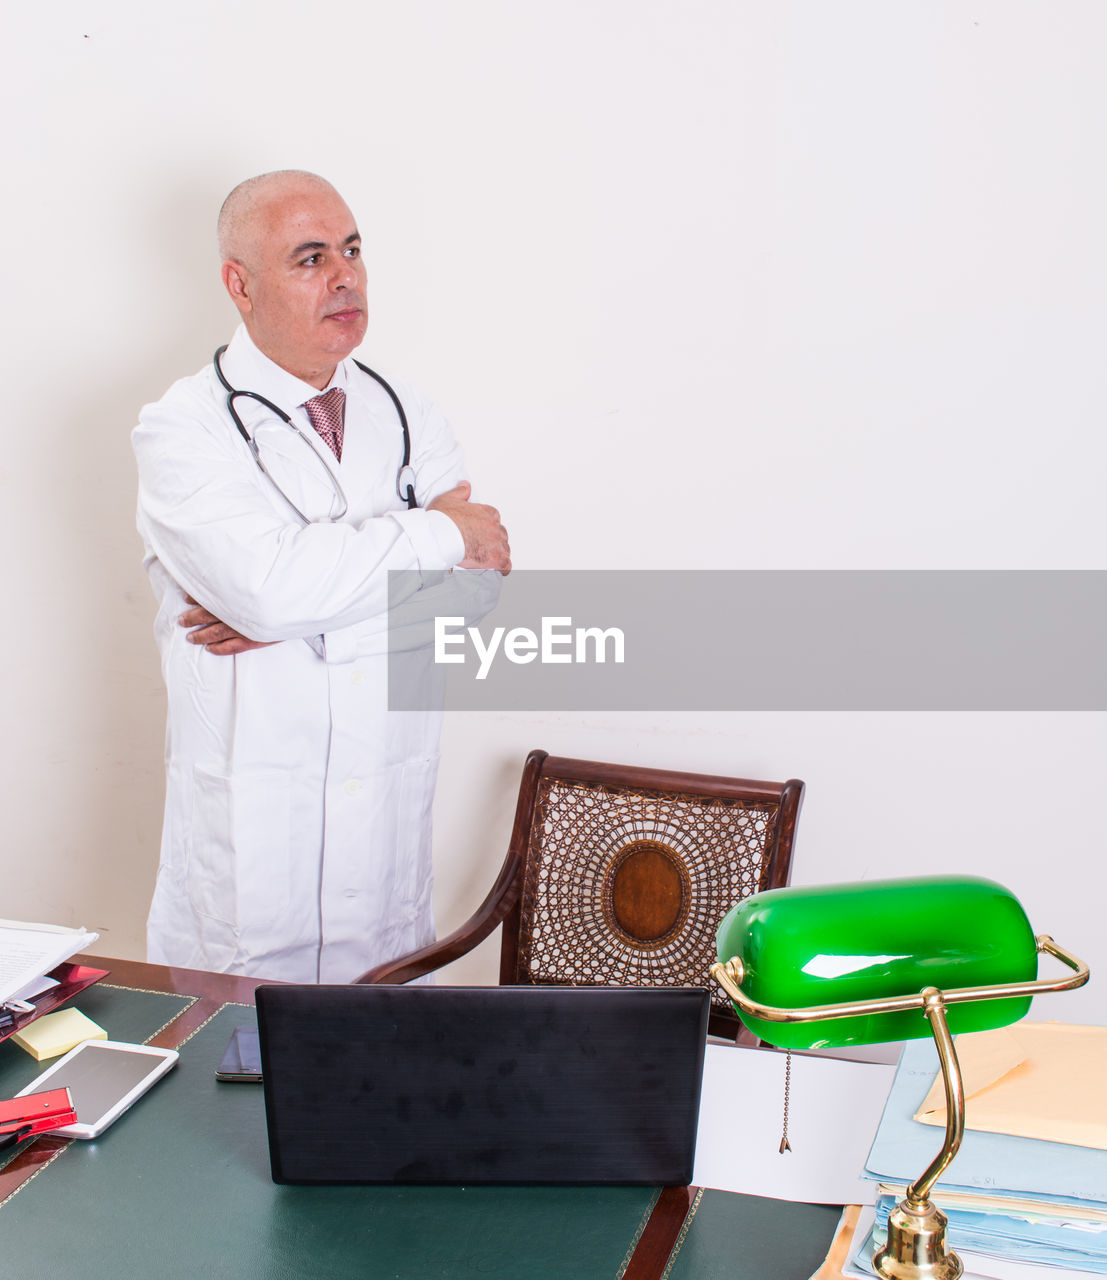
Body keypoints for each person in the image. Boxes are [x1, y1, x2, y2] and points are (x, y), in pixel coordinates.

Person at [132, 170, 510, 983]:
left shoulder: (407, 411)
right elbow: (271, 588)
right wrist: (441, 531)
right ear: (240, 283)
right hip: (248, 872)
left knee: (380, 1087)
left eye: (351, 249)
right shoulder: (182, 428)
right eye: (310, 258)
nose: (345, 276)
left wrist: (290, 621)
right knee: (233, 1089)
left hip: (384, 860)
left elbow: (478, 592)